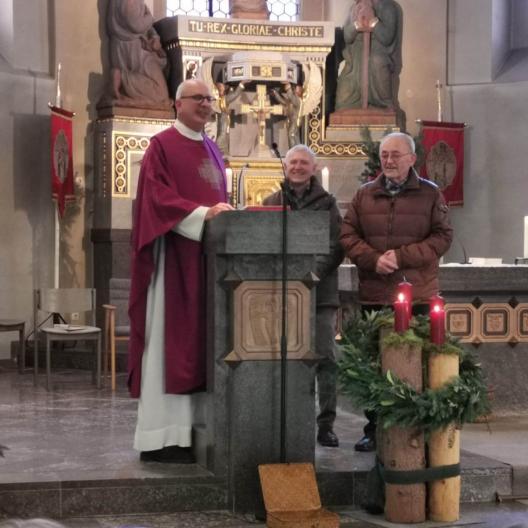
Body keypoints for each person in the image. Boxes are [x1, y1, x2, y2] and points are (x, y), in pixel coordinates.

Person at [128, 79, 234, 463]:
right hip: (174, 260)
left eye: (209, 99)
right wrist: (204, 214)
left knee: (200, 344)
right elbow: (157, 198)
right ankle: (161, 438)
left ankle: (193, 434)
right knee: (169, 344)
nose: (206, 104)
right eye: (198, 99)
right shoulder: (162, 146)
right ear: (178, 104)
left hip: (206, 261)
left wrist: (220, 215)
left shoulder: (212, 149)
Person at [340, 132, 453, 452]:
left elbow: (443, 237)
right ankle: (375, 429)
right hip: (375, 295)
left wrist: (401, 257)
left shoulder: (431, 195)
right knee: (376, 366)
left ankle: (418, 431)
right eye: (384, 155)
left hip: (417, 295)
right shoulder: (364, 195)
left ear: (412, 159)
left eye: (395, 155)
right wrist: (373, 259)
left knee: (416, 364)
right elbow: (347, 235)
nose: (388, 161)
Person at [262, 145, 344, 447]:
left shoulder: (328, 204)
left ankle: (326, 424)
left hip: (319, 293)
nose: (297, 167)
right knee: (285, 358)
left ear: (313, 167)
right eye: (292, 162)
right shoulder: (272, 202)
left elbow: (337, 246)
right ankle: (288, 419)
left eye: (303, 163)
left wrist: (312, 275)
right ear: (285, 166)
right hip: (283, 296)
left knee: (325, 358)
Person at [335, 0, 403, 113]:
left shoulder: (388, 7)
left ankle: (383, 105)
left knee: (377, 64)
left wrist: (373, 20)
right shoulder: (354, 8)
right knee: (342, 102)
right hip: (354, 63)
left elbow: (387, 38)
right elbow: (346, 36)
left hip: (377, 60)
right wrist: (357, 24)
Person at [105, 0, 172, 108]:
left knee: (161, 96)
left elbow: (146, 26)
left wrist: (155, 37)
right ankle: (121, 77)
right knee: (161, 95)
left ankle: (122, 79)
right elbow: (136, 25)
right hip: (135, 50)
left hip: (135, 47)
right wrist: (150, 17)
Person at [214, 81, 246, 154]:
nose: (223, 91)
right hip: (217, 134)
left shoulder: (223, 101)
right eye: (221, 89)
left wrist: (241, 84)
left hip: (223, 132)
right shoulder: (216, 101)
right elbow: (235, 94)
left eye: (223, 89)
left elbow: (234, 94)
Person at [272, 83, 303, 149]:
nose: (295, 90)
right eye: (295, 89)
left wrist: (288, 88)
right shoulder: (291, 101)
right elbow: (283, 101)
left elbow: (291, 96)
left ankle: (293, 150)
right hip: (290, 120)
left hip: (295, 120)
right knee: (293, 136)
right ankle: (294, 149)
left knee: (291, 134)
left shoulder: (297, 100)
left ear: (300, 91)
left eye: (297, 89)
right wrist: (276, 94)